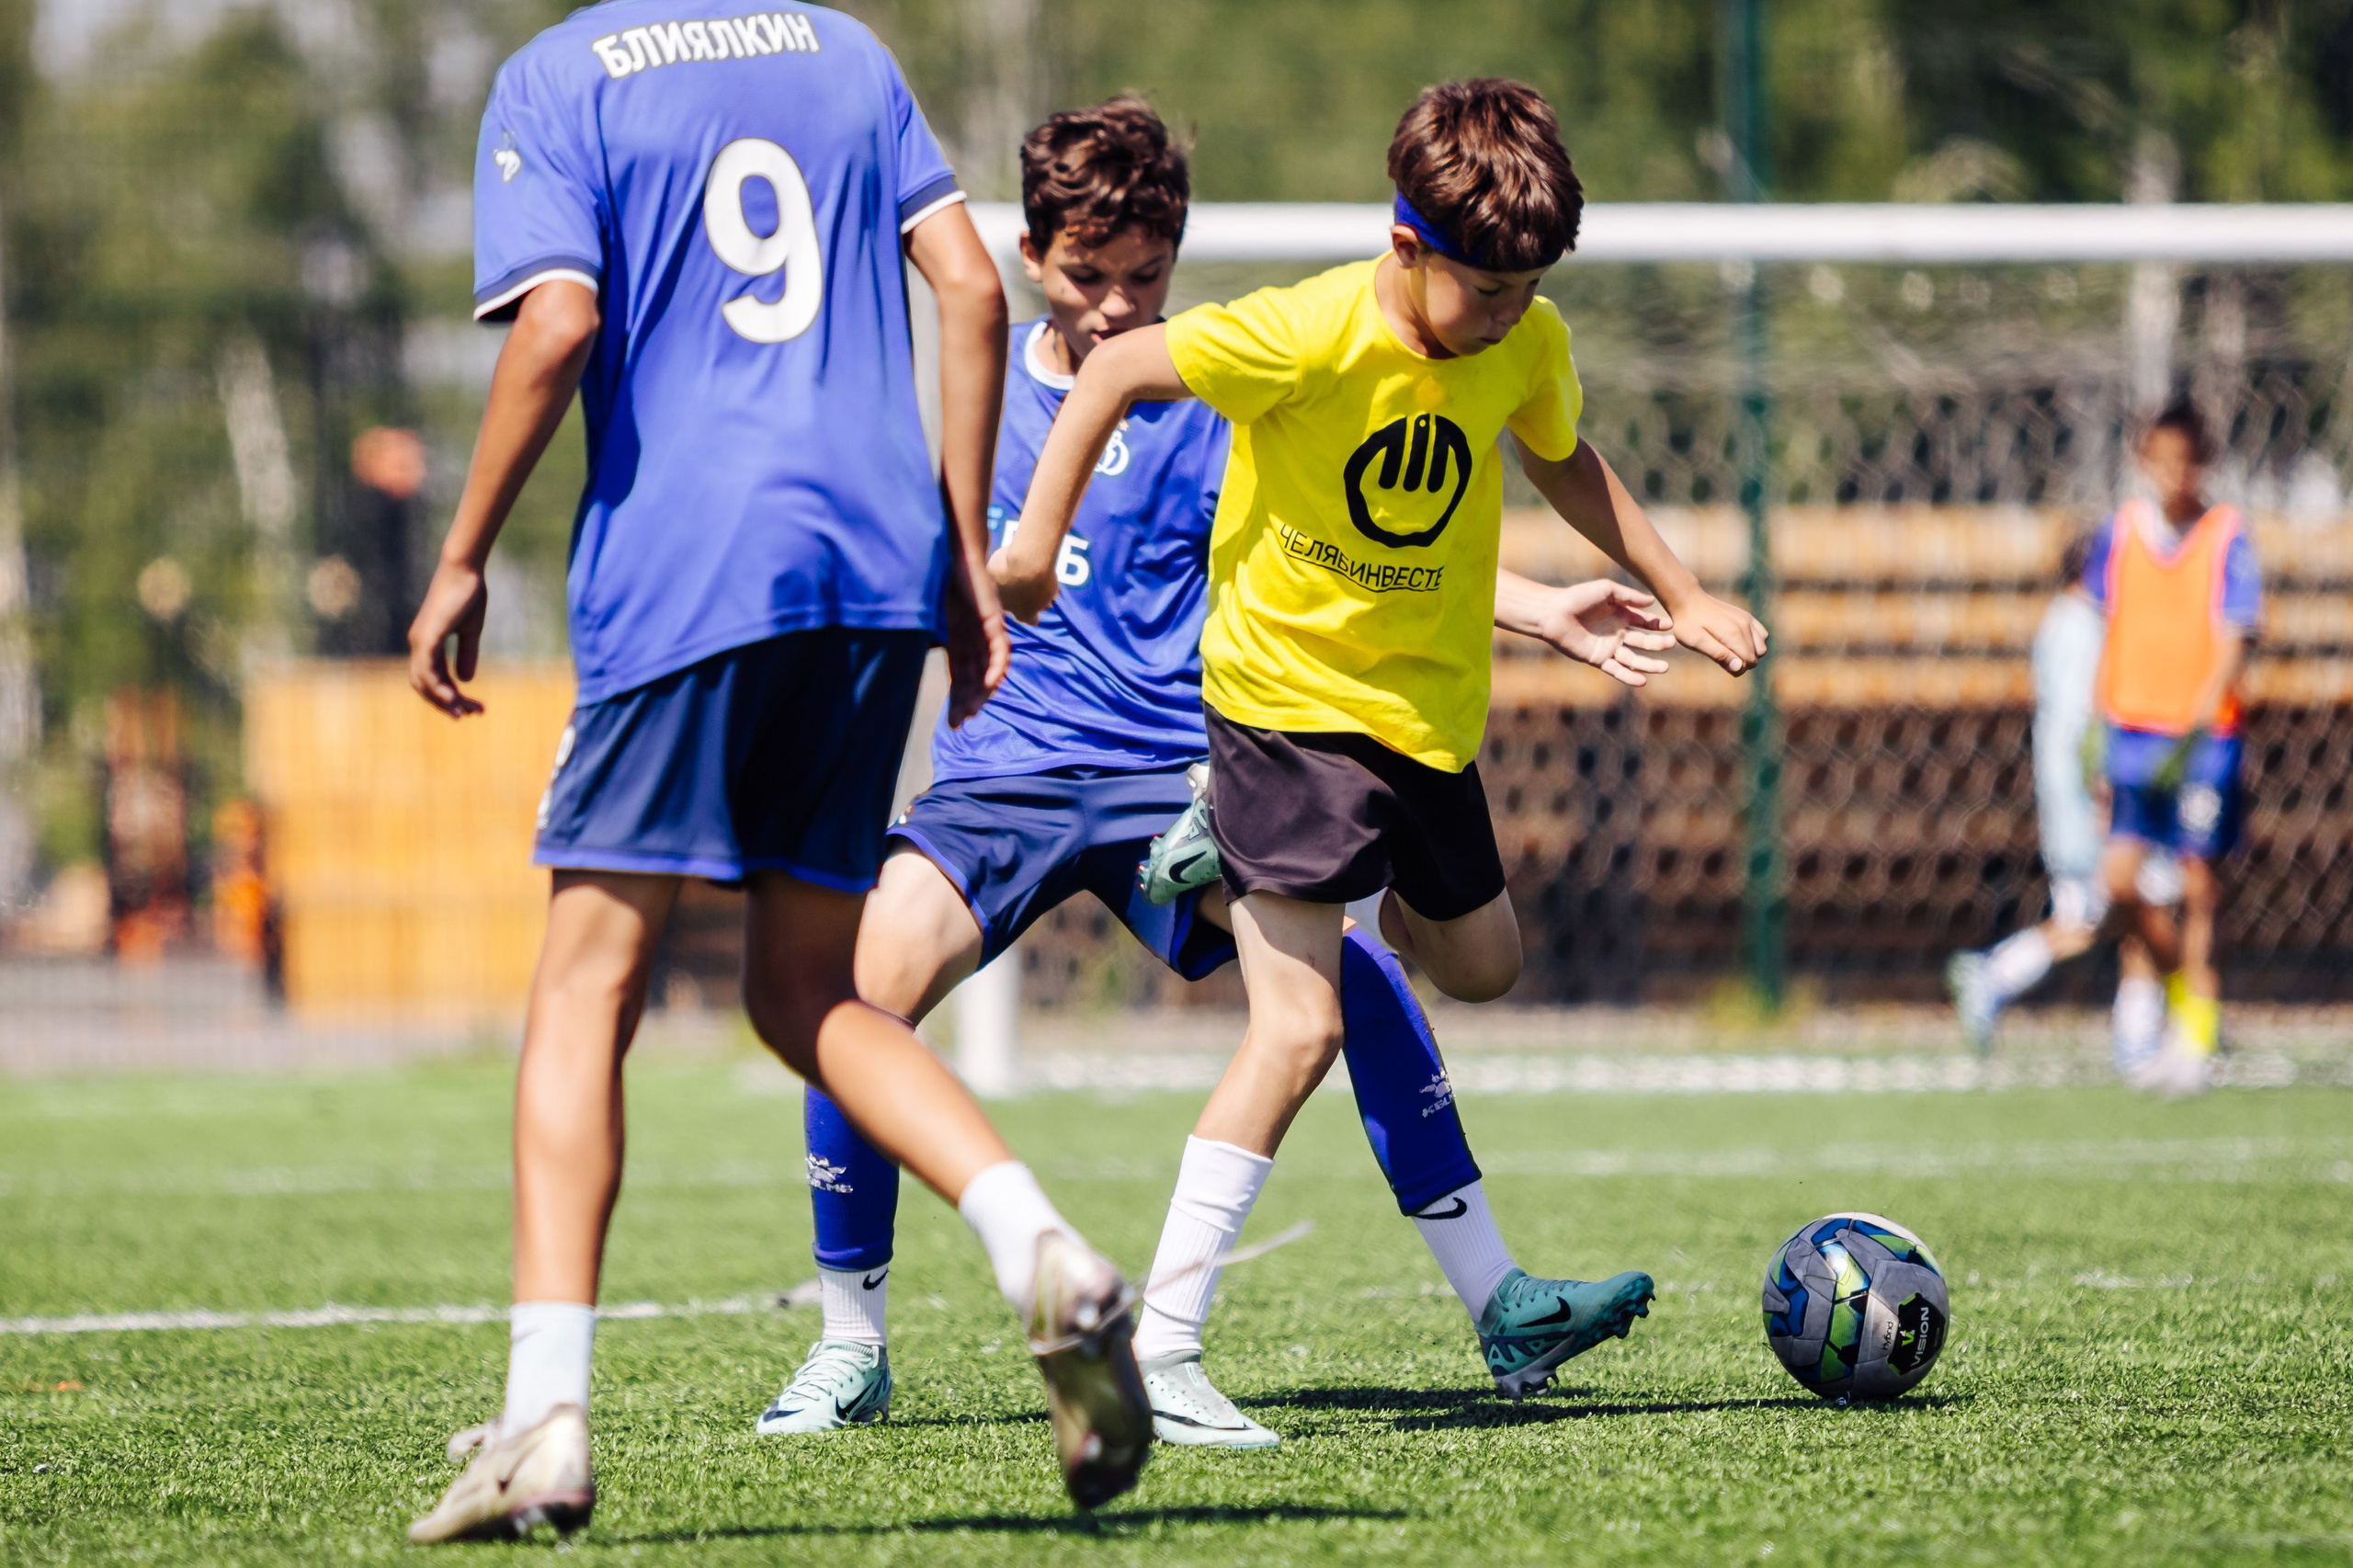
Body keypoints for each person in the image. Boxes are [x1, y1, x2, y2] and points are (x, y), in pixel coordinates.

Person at [765, 97, 1683, 1450]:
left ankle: (1500, 1296)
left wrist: (1544, 607)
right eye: (1093, 277)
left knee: (1344, 983)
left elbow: (1368, 521)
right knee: (852, 1003)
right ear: (1031, 258)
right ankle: (851, 1342)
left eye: (1149, 276)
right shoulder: (965, 401)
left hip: (1167, 775)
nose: (1122, 303)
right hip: (1001, 776)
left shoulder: (1207, 389)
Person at [400, 6, 1150, 1540]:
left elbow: (555, 325)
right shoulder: (844, 53)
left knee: (583, 987)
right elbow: (964, 285)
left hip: (687, 566)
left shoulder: (559, 74)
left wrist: (462, 555)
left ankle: (548, 1419)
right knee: (808, 993)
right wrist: (957, 556)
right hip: (869, 563)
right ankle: (1045, 1256)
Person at [1001, 79, 1768, 1413]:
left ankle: (1219, 846)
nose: (1510, 313)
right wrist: (1025, 547)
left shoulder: (1522, 343)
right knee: (1294, 1028)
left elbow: (1566, 459)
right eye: (1486, 288)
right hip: (1287, 710)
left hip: (1423, 720)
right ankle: (1160, 1350)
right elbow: (1119, 368)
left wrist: (1683, 591)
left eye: (1531, 287)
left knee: (1482, 964)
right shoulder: (1304, 333)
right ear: (1405, 245)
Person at [1945, 532, 2183, 1072]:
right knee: (2110, 911)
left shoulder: (2066, 622)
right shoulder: (2083, 628)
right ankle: (1998, 977)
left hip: (2081, 794)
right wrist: (2103, 789)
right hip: (2096, 797)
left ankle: (2137, 1032)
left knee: (2136, 908)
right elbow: (2086, 722)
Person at [2086, 400, 2261, 1096]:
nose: (2175, 475)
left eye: (2186, 462)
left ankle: (2192, 1029)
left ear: (2203, 465)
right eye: (2162, 461)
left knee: (2197, 885)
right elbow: (2105, 624)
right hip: (2130, 730)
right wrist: (2095, 728)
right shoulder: (2121, 532)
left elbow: (2237, 630)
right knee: (2121, 878)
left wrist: (2198, 710)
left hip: (2201, 736)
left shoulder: (2225, 534)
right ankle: (2177, 998)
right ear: (2143, 462)